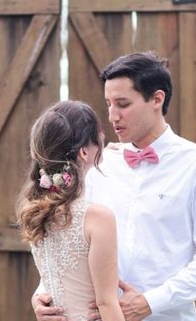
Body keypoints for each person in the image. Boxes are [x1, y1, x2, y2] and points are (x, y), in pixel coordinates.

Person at [32, 52, 196, 321]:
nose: (112, 116)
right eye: (109, 104)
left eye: (123, 104)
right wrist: (44, 292)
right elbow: (70, 241)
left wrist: (149, 303)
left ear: (157, 99)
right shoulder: (96, 167)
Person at [17, 100, 125, 321]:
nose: (104, 138)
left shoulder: (37, 213)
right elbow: (105, 302)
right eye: (99, 133)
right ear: (84, 152)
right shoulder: (97, 218)